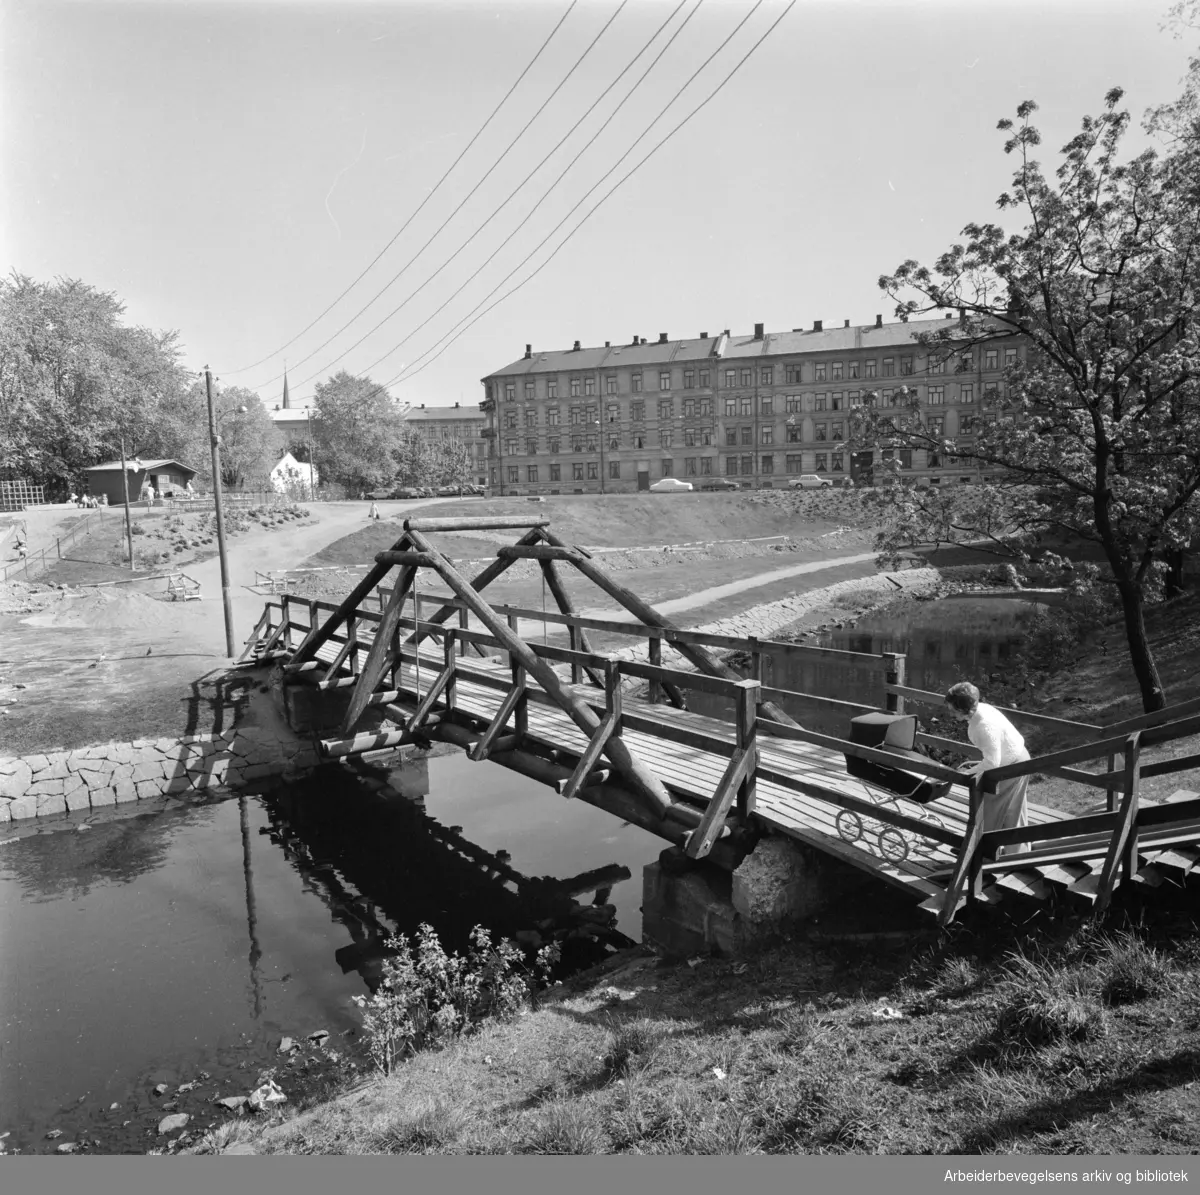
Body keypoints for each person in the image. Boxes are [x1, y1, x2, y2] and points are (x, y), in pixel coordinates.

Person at [945, 681, 1031, 856]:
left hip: (1012, 765)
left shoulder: (983, 726)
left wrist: (966, 773)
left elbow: (992, 763)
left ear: (965, 709)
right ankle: (1018, 853)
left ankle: (981, 852)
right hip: (1018, 758)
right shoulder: (979, 711)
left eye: (953, 710)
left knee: (991, 808)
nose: (951, 713)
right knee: (1013, 808)